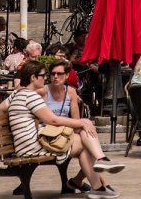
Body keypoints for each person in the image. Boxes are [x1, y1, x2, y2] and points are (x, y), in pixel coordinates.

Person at [0, 60, 124, 199]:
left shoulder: (17, 94)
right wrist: (81, 123)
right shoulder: (31, 96)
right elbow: (52, 120)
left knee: (85, 136)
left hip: (25, 143)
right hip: (32, 146)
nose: (46, 78)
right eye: (43, 75)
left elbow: (0, 109)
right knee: (85, 142)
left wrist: (16, 124)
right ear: (33, 77)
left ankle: (97, 181)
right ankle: (98, 177)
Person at [43, 59, 89, 193]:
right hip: (49, 136)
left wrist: (84, 129)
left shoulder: (71, 92)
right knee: (89, 149)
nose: (55, 77)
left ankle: (90, 182)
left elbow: (76, 120)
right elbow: (52, 121)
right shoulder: (43, 91)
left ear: (67, 75)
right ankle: (83, 182)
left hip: (65, 133)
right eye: (53, 74)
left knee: (88, 135)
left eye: (59, 74)